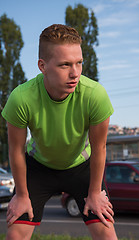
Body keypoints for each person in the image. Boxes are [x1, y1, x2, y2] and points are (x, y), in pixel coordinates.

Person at [1, 24, 118, 240]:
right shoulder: (21, 98)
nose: (75, 73)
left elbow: (100, 147)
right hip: (38, 168)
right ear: (42, 66)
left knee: (107, 235)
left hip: (82, 168)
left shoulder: (95, 95)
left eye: (79, 63)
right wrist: (22, 195)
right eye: (65, 65)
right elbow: (16, 151)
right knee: (15, 236)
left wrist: (94, 193)